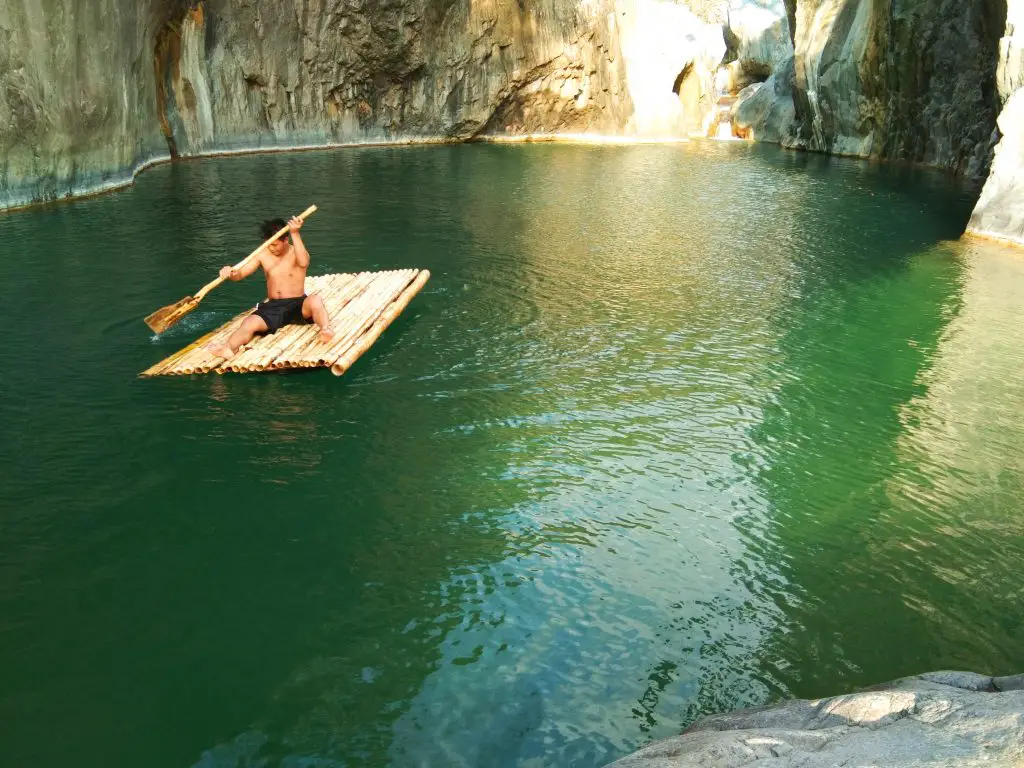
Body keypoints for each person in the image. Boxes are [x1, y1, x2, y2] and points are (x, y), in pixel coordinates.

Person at [205, 216, 334, 359]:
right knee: (249, 322)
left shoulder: (296, 252)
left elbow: (304, 263)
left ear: (286, 240)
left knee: (315, 300)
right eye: (268, 244)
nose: (271, 248)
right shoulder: (262, 254)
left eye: (274, 245)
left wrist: (295, 233)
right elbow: (240, 274)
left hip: (298, 304)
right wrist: (230, 273)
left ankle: (325, 329)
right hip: (274, 306)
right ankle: (228, 348)